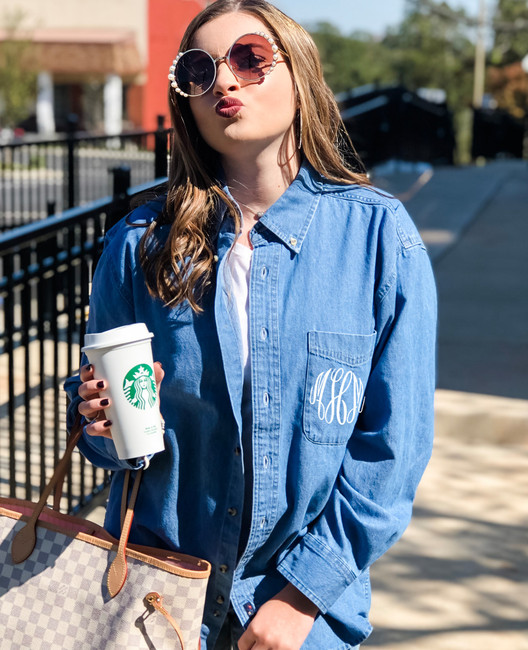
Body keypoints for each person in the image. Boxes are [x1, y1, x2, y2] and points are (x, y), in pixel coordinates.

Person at [64, 1, 437, 648]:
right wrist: (96, 418)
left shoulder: (380, 241)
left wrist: (301, 597)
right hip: (159, 608)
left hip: (304, 621)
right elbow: (115, 449)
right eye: (199, 70)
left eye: (249, 59)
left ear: (301, 74)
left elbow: (393, 451)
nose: (225, 83)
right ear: (186, 101)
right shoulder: (137, 247)